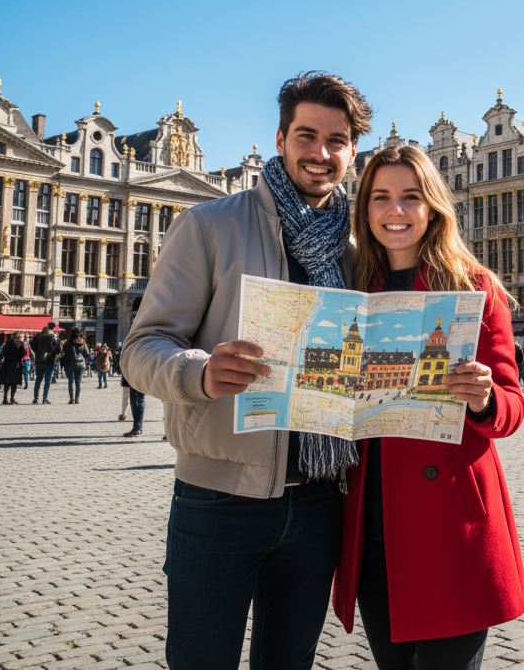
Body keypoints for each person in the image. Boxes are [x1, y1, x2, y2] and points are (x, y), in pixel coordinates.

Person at [122, 72, 372, 670]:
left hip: (319, 501)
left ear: (352, 151)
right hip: (219, 499)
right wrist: (200, 373)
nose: (321, 152)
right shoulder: (210, 225)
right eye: (307, 135)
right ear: (281, 138)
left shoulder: (360, 243)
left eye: (336, 141)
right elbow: (140, 348)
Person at [330, 142, 524, 669]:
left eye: (410, 197)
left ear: (433, 205)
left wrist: (484, 401)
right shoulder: (350, 292)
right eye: (381, 197)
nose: (395, 211)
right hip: (376, 528)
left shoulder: (472, 286)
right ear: (364, 207)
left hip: (448, 528)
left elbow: (511, 406)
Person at [29, 324, 58, 404]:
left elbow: (31, 345)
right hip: (49, 361)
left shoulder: (37, 337)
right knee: (47, 380)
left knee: (38, 379)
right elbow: (57, 347)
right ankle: (44, 398)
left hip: (39, 360)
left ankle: (35, 398)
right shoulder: (52, 337)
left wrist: (37, 353)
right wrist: (52, 354)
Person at [61, 328, 90, 404]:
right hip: (80, 363)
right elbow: (87, 353)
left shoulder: (67, 343)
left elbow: (63, 352)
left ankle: (71, 399)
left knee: (70, 381)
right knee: (78, 381)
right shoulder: (83, 343)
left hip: (69, 363)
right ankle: (77, 399)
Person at [0, 332, 24, 405]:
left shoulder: (8, 343)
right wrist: (19, 360)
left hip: (7, 364)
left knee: (7, 383)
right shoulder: (19, 343)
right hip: (16, 364)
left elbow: (3, 352)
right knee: (14, 383)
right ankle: (12, 398)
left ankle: (5, 399)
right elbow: (22, 353)